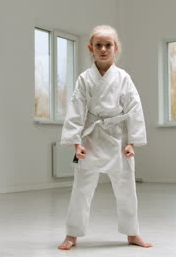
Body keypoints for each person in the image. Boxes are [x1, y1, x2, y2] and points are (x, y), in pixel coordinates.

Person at [57, 25, 152, 250]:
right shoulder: (84, 79)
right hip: (90, 139)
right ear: (91, 48)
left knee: (127, 188)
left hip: (117, 140)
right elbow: (76, 109)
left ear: (115, 48)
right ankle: (72, 234)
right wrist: (76, 142)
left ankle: (132, 233)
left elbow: (134, 108)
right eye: (98, 45)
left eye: (108, 45)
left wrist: (132, 143)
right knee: (81, 189)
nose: (103, 49)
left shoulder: (123, 78)